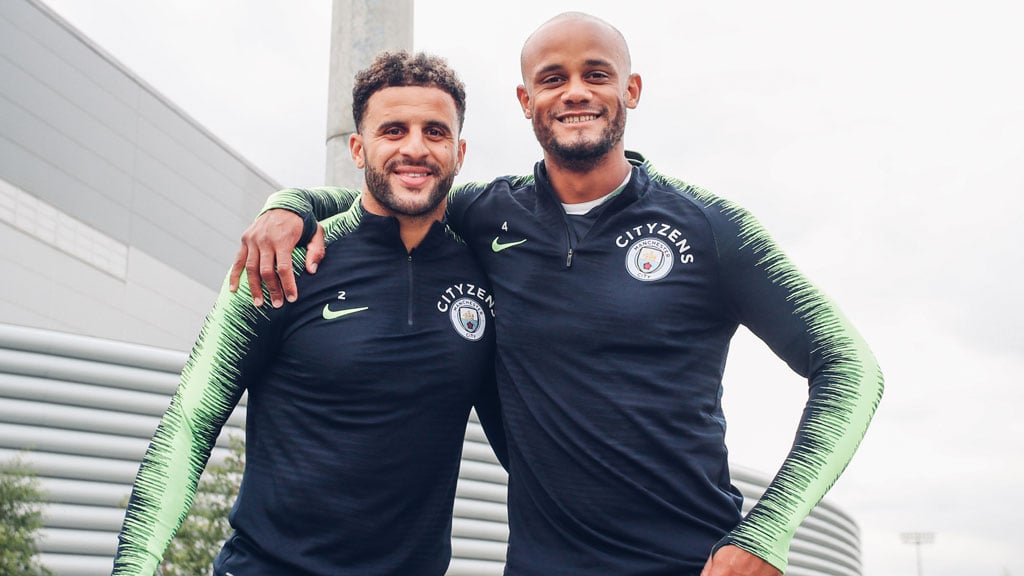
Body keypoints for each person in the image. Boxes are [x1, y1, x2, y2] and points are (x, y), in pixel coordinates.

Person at [233, 12, 884, 576]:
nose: (575, 91)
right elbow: (385, 198)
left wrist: (768, 530)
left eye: (596, 74)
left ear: (630, 88)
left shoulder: (712, 227)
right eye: (553, 78)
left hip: (693, 560)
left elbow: (850, 368)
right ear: (525, 100)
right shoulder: (488, 216)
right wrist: (292, 204)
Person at [112, 51, 507, 576]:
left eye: (434, 132)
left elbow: (529, 445)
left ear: (458, 151)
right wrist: (133, 567)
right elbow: (189, 423)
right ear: (358, 148)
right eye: (393, 130)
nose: (415, 147)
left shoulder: (483, 277)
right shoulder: (283, 264)